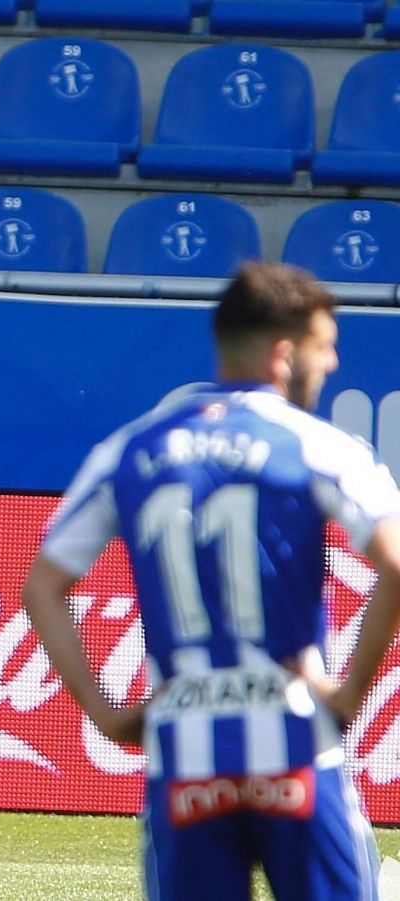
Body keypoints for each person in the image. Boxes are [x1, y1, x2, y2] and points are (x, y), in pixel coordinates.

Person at [22, 262, 400, 901]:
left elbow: (43, 585)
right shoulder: (316, 445)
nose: (332, 365)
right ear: (284, 356)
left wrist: (106, 715)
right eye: (324, 349)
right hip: (295, 735)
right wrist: (348, 694)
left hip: (183, 746)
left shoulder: (131, 449)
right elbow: (395, 562)